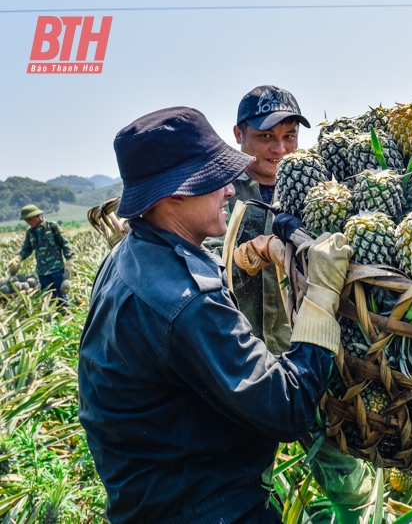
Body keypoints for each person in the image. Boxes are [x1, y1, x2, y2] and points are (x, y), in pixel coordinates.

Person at [78, 106, 353, 524]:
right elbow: (289, 409)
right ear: (174, 193)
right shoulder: (186, 301)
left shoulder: (127, 256)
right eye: (214, 178)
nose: (229, 189)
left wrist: (241, 262)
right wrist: (320, 298)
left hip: (154, 496)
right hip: (207, 508)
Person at [206, 85, 375, 524]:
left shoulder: (321, 190)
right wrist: (247, 253)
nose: (279, 149)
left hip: (310, 357)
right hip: (239, 365)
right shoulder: (217, 196)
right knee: (242, 477)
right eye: (266, 137)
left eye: (289, 137)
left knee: (342, 473)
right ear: (239, 133)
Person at [8, 204, 74, 304]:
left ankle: (66, 315)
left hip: (56, 269)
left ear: (36, 216)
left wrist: (69, 260)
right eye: (26, 220)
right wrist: (18, 258)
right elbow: (26, 249)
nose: (27, 222)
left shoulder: (52, 226)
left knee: (61, 297)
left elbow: (65, 244)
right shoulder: (30, 232)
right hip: (42, 272)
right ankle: (53, 318)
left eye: (29, 219)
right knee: (48, 299)